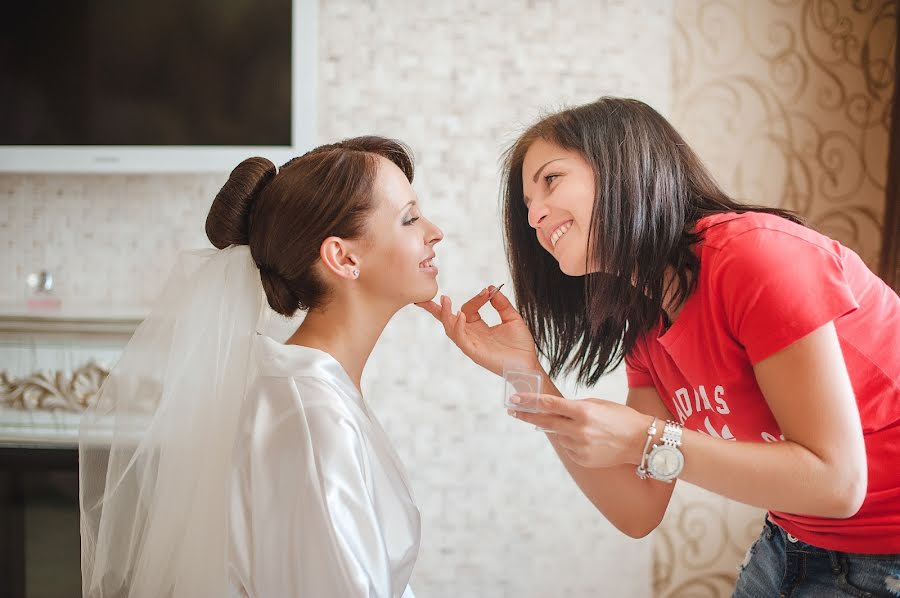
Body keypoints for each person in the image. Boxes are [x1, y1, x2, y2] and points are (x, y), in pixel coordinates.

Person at [418, 97, 900, 597]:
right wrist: (525, 372)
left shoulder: (756, 258)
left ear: (623, 167)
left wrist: (644, 438)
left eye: (551, 180)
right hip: (791, 544)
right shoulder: (645, 324)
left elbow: (838, 483)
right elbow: (637, 508)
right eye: (527, 206)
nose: (535, 215)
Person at [79, 136, 443, 598]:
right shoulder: (312, 419)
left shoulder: (311, 392)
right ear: (343, 257)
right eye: (410, 218)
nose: (434, 231)